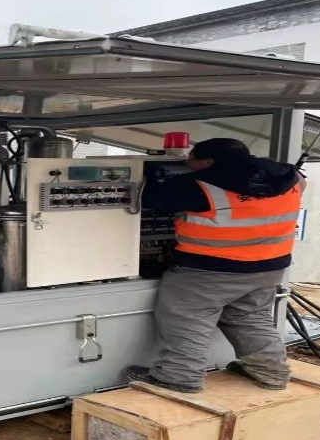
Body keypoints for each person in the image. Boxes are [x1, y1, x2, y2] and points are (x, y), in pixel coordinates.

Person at [126, 138, 306, 394]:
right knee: (250, 317)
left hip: (210, 271)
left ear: (209, 162)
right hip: (269, 266)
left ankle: (179, 376)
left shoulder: (198, 186)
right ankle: (271, 372)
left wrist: (150, 177)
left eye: (192, 159)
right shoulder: (291, 178)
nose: (188, 163)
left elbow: (151, 199)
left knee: (187, 319)